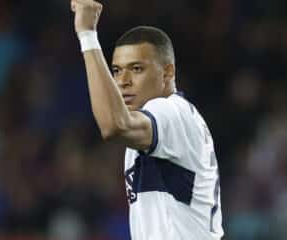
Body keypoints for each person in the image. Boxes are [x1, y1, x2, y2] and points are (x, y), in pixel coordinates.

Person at [70, 0, 224, 239]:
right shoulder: (163, 121)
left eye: (137, 69)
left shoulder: (171, 112)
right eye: (117, 71)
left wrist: (87, 35)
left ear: (168, 72)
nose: (123, 81)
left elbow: (113, 125)